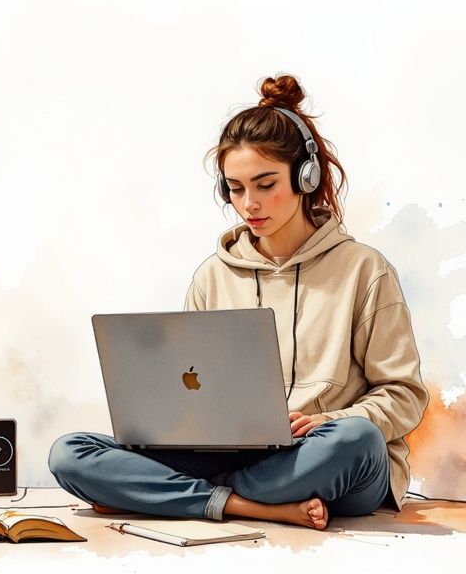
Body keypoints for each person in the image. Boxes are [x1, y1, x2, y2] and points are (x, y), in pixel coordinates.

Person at [49, 74, 428, 530]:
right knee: (70, 454)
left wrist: (331, 417)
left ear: (306, 177)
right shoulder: (212, 275)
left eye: (265, 184)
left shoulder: (365, 269)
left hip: (323, 457)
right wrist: (173, 429)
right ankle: (253, 504)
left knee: (357, 439)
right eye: (235, 188)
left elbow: (404, 395)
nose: (249, 204)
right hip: (234, 456)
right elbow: (190, 390)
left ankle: (179, 494)